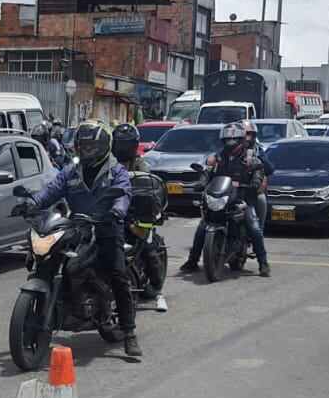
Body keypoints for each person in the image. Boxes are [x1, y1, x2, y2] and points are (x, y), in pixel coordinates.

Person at [26, 120, 140, 357]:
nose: (86, 151)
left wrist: (117, 211)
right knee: (48, 258)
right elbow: (51, 190)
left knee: (118, 275)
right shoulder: (71, 171)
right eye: (83, 147)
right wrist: (32, 203)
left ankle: (129, 333)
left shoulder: (116, 171)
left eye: (91, 147)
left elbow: (124, 194)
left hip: (107, 228)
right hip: (78, 227)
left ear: (103, 146)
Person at [178, 122, 272, 277]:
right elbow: (208, 171)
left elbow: (259, 169)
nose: (230, 142)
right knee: (203, 226)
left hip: (241, 199)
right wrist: (202, 181)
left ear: (240, 139)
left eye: (233, 139)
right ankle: (192, 260)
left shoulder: (250, 156)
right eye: (227, 139)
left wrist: (256, 180)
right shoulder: (218, 157)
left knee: (253, 226)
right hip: (222, 198)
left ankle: (263, 262)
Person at [112, 123, 168, 313]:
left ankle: (158, 293)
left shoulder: (140, 164)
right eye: (119, 143)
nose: (122, 147)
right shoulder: (108, 163)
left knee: (146, 248)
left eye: (126, 143)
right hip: (113, 210)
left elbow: (146, 183)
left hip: (137, 212)